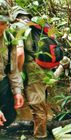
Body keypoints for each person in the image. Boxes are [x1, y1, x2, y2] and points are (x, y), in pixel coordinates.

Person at [11, 6, 48, 138]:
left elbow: (20, 53)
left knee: (36, 104)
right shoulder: (36, 26)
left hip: (31, 67)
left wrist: (18, 73)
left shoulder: (18, 26)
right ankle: (41, 131)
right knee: (40, 102)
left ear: (15, 17)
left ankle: (40, 135)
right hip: (43, 68)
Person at [0, 1, 24, 127]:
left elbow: (13, 69)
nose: (0, 27)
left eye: (3, 23)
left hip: (2, 84)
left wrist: (17, 91)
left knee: (7, 117)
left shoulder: (9, 39)